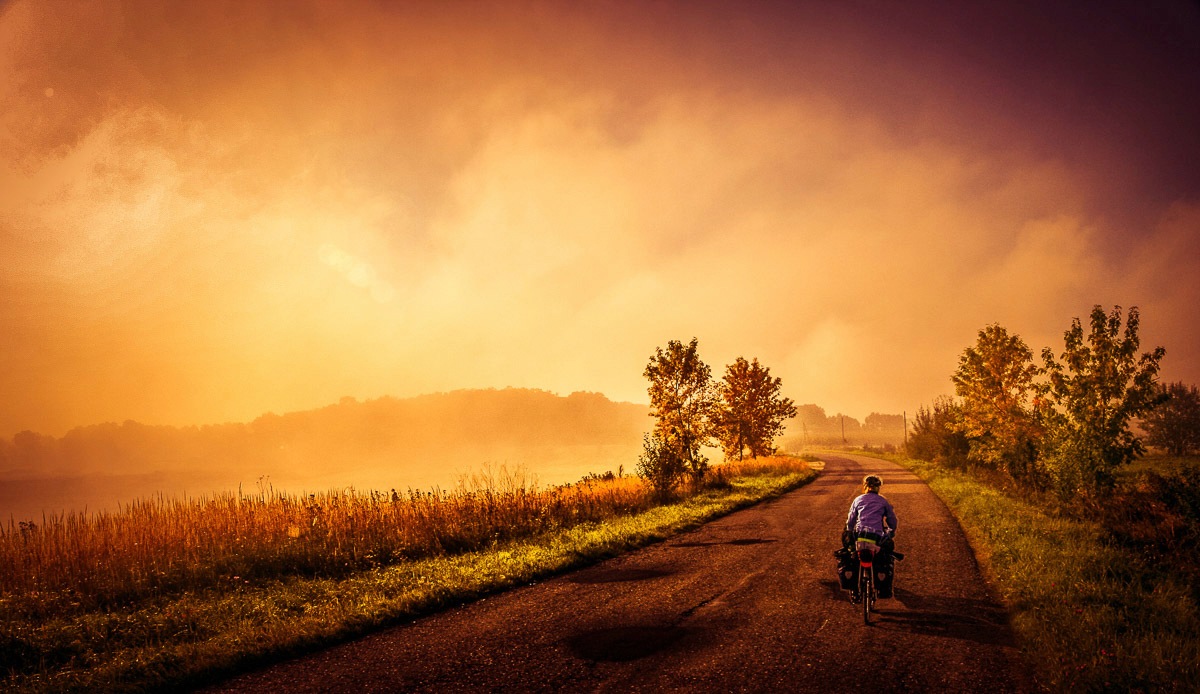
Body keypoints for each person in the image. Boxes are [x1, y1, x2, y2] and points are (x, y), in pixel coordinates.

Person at [844, 474, 898, 600]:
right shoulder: (883, 501)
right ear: (878, 488)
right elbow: (892, 521)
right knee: (884, 558)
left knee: (852, 557)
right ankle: (882, 588)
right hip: (876, 538)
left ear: (865, 487)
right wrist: (891, 532)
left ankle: (854, 590)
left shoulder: (858, 500)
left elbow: (850, 521)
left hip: (859, 537)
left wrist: (849, 532)